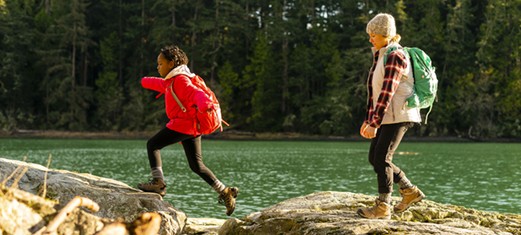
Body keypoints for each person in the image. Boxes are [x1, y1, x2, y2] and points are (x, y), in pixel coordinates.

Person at [138, 45, 238, 216]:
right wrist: (144, 81)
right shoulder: (173, 81)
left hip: (182, 124)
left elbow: (196, 93)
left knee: (153, 144)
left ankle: (158, 183)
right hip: (192, 127)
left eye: (160, 64)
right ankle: (225, 191)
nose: (158, 67)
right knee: (197, 165)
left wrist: (205, 103)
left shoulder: (181, 81)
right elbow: (160, 84)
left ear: (171, 63)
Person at [357, 13, 425, 219]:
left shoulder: (396, 55)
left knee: (382, 158)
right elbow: (375, 91)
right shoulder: (382, 53)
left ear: (386, 35)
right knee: (374, 158)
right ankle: (410, 191)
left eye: (374, 35)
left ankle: (383, 206)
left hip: (399, 114)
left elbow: (388, 91)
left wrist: (374, 122)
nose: (370, 39)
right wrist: (369, 119)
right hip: (387, 115)